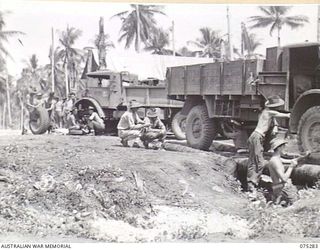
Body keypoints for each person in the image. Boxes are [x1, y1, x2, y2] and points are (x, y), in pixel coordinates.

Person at [247, 95, 290, 189]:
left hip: (255, 137)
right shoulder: (269, 112)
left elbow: (274, 119)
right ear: (274, 107)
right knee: (260, 162)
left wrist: (275, 126)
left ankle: (251, 183)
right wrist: (290, 115)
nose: (279, 108)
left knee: (253, 161)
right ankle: (253, 184)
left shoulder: (266, 112)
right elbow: (283, 115)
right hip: (257, 137)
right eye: (278, 106)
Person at [266, 138, 299, 206]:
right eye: (284, 146)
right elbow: (284, 178)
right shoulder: (275, 161)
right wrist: (291, 166)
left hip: (279, 187)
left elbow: (290, 160)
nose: (285, 148)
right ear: (279, 148)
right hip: (282, 188)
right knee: (298, 204)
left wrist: (303, 157)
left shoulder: (277, 158)